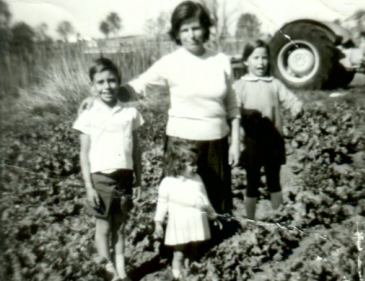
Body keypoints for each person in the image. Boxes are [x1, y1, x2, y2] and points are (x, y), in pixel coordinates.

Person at [116, 0, 240, 215]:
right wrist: (106, 96)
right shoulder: (170, 62)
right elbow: (141, 85)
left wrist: (236, 141)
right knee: (182, 212)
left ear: (205, 28)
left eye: (196, 28)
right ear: (177, 33)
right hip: (181, 145)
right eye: (185, 30)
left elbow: (232, 105)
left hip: (216, 144)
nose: (191, 35)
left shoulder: (220, 60)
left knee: (215, 210)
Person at [73, 58, 144, 281]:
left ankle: (121, 269)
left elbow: (137, 150)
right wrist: (88, 187)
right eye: (101, 82)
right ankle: (108, 271)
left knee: (121, 226)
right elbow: (84, 153)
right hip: (100, 178)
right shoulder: (88, 114)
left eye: (112, 81)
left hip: (125, 177)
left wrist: (139, 180)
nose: (107, 87)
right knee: (103, 227)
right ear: (93, 86)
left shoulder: (130, 113)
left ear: (119, 82)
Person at [234, 40, 303, 220]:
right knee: (252, 181)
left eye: (264, 58)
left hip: (273, 140)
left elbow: (290, 99)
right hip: (251, 141)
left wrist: (296, 107)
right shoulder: (240, 86)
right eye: (255, 57)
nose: (261, 62)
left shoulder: (274, 84)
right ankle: (250, 220)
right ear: (245, 62)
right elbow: (233, 110)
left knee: (274, 181)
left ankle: (278, 218)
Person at [153, 138, 219, 280]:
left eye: (196, 163)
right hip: (180, 223)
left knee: (195, 250)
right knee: (179, 252)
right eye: (191, 164)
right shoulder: (168, 182)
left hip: (196, 221)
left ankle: (190, 273)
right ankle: (177, 275)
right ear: (178, 165)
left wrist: (213, 216)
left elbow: (204, 200)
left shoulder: (197, 178)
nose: (195, 167)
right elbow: (162, 203)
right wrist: (158, 222)